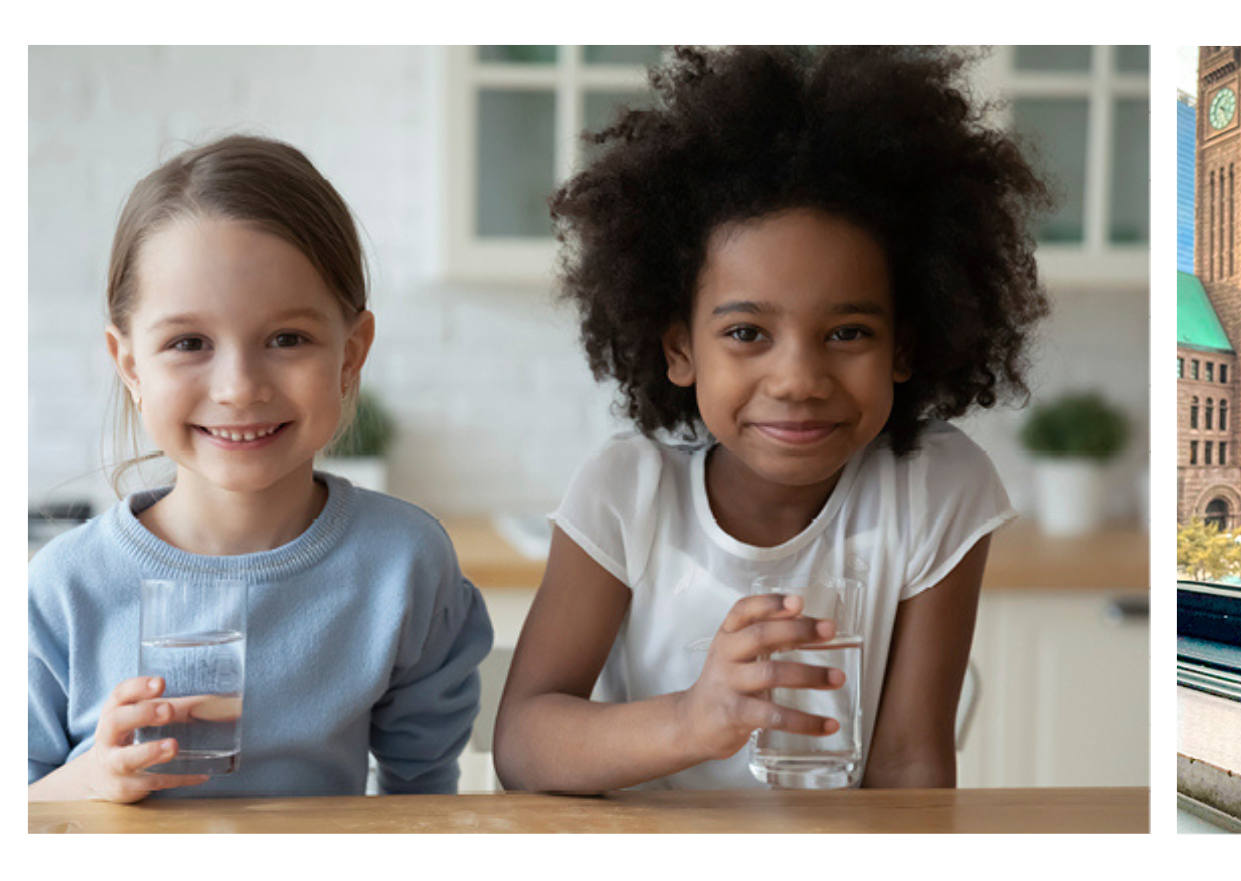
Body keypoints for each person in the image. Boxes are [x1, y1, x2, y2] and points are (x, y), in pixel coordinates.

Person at [494, 45, 1053, 791]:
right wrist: (694, 718)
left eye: (848, 332)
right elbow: (523, 745)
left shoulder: (935, 487)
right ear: (679, 348)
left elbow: (911, 762)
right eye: (747, 333)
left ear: (904, 345)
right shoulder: (626, 491)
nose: (797, 380)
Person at [27, 135, 493, 802]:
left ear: (351, 353)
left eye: (287, 339)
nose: (240, 386)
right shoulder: (63, 588)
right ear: (131, 366)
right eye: (189, 342)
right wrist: (85, 782)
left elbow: (420, 800)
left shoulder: (405, 564)